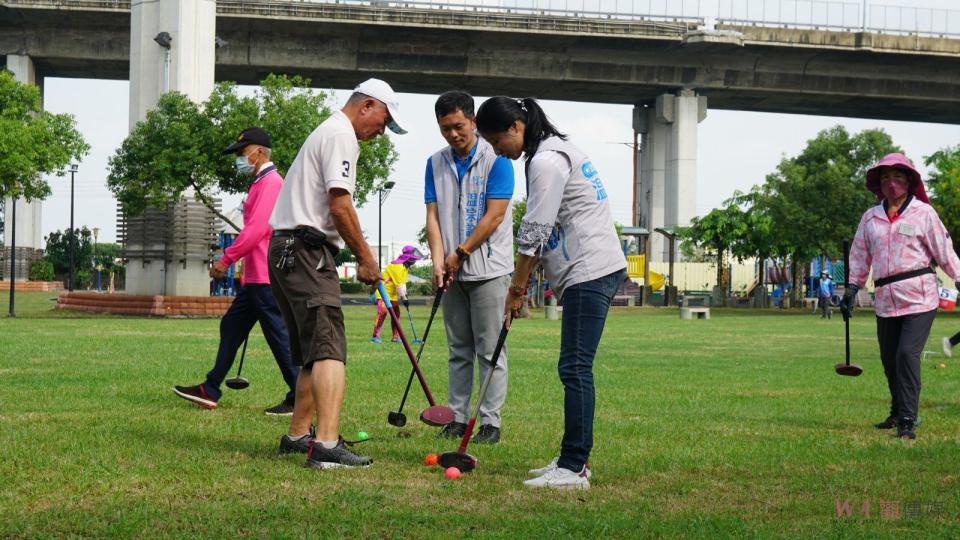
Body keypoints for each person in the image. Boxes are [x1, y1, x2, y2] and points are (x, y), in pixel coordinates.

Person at [476, 96, 626, 488]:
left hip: (590, 270)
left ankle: (575, 465)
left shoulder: (546, 160)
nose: (497, 151)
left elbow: (534, 233)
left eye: (495, 141)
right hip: (591, 268)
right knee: (574, 367)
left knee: (575, 368)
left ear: (515, 128)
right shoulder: (552, 151)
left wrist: (516, 289)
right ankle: (571, 458)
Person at [268, 78, 404, 467]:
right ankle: (325, 445)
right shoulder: (341, 135)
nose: (381, 132)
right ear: (366, 106)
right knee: (329, 349)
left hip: (287, 248)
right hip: (307, 249)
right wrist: (365, 258)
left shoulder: (328, 131)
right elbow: (340, 205)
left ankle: (297, 435)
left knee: (314, 352)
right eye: (383, 121)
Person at [173, 127, 299, 415]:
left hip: (266, 277)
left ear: (259, 152)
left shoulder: (271, 183)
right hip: (255, 277)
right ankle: (211, 388)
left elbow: (256, 230)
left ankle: (299, 394)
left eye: (242, 153)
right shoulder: (259, 182)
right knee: (231, 326)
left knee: (278, 336)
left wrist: (226, 259)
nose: (239, 159)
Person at [840, 152, 960, 440]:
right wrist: (852, 288)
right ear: (878, 184)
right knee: (889, 358)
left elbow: (944, 251)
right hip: (885, 298)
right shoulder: (870, 218)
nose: (891, 182)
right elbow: (858, 256)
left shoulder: (923, 214)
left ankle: (908, 417)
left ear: (909, 181)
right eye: (885, 177)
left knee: (907, 354)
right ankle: (896, 411)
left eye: (897, 176)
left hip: (919, 295)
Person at [424, 91, 515, 444]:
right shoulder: (434, 162)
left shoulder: (498, 159)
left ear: (473, 121)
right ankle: (458, 418)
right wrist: (438, 260)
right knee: (458, 349)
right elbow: (432, 216)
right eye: (445, 128)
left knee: (490, 350)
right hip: (451, 272)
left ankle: (490, 422)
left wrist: (459, 253)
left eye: (458, 126)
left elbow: (494, 215)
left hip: (490, 270)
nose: (452, 134)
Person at [371, 245, 422, 343]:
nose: (415, 261)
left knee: (396, 313)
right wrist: (405, 299)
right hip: (382, 292)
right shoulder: (397, 267)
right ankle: (375, 336)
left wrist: (405, 297)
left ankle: (395, 337)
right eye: (414, 258)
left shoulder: (405, 268)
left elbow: (403, 284)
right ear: (409, 257)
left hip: (392, 294)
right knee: (383, 312)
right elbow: (400, 286)